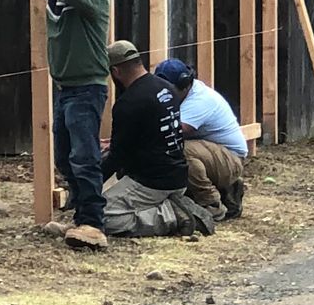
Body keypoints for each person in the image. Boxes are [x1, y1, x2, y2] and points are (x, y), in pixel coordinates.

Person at [14, 0, 111, 251]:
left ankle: (93, 223)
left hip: (88, 88)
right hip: (66, 88)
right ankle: (80, 212)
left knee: (84, 157)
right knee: (66, 158)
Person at [98, 41, 217, 239]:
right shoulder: (167, 89)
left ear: (116, 71)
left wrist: (91, 186)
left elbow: (117, 156)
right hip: (178, 176)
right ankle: (170, 203)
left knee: (99, 216)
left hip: (152, 184)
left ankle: (171, 215)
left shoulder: (129, 103)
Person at [153, 58, 249, 219]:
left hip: (231, 159)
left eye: (167, 89)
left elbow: (171, 132)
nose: (163, 93)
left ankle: (211, 204)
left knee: (177, 150)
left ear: (184, 85)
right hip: (215, 154)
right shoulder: (183, 95)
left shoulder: (200, 100)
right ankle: (227, 192)